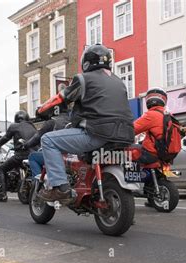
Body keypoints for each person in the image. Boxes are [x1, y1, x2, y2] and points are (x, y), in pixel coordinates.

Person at [34, 44, 135, 202]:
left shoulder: (83, 79)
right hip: (125, 135)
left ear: (86, 62)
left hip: (98, 132)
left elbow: (62, 97)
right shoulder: (119, 82)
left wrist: (41, 110)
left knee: (48, 140)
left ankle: (60, 187)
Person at [0, 110, 37, 202]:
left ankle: (1, 195)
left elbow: (5, 138)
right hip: (33, 155)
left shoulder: (14, 126)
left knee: (0, 169)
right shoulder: (32, 126)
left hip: (21, 155)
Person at [22, 100, 71, 178]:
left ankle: (38, 183)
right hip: (71, 156)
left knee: (32, 156)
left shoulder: (52, 122)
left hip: (57, 155)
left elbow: (37, 138)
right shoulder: (71, 120)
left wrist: (25, 145)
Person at [133, 87, 168, 164]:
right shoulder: (168, 115)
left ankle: (120, 175)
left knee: (121, 153)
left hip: (151, 154)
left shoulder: (151, 115)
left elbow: (131, 130)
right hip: (165, 155)